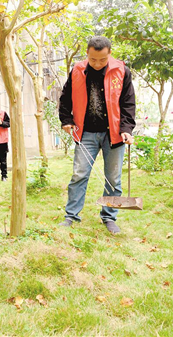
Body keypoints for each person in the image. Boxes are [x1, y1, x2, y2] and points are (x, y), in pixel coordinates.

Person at [58, 36, 136, 234]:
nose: (97, 64)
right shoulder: (77, 71)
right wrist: (66, 120)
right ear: (87, 54)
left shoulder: (121, 71)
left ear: (109, 53)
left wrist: (127, 129)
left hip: (115, 134)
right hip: (86, 133)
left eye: (102, 60)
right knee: (79, 174)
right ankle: (71, 215)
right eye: (93, 60)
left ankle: (109, 217)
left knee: (113, 178)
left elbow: (128, 103)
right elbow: (65, 98)